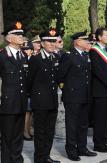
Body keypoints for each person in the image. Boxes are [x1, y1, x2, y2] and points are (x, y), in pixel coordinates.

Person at [57, 31, 97, 161]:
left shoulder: (85, 55)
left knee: (83, 124)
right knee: (72, 125)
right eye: (85, 40)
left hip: (85, 95)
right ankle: (71, 150)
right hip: (73, 96)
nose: (87, 42)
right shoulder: (69, 56)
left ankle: (82, 148)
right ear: (77, 42)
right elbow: (60, 76)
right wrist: (67, 89)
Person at [27, 28, 60, 163]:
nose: (53, 44)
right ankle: (39, 159)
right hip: (40, 102)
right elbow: (29, 81)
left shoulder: (55, 57)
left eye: (54, 41)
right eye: (49, 42)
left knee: (50, 131)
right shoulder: (36, 59)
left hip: (52, 100)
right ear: (42, 43)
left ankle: (46, 156)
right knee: (40, 132)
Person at [0, 21, 28, 163]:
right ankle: (6, 160)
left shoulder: (23, 56)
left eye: (22, 34)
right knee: (7, 135)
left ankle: (17, 159)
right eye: (17, 34)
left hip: (21, 101)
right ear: (9, 38)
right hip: (8, 102)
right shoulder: (2, 56)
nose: (21, 36)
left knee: (18, 134)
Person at [90, 27, 107, 152]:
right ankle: (98, 144)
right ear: (99, 37)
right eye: (106, 35)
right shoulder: (94, 51)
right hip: (101, 90)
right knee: (100, 118)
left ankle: (105, 141)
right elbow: (98, 71)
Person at [21, 41, 34, 141]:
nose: (25, 51)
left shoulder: (33, 59)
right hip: (23, 90)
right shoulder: (22, 59)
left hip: (31, 89)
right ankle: (25, 131)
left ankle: (28, 129)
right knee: (26, 112)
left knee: (30, 111)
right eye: (24, 49)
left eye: (27, 49)